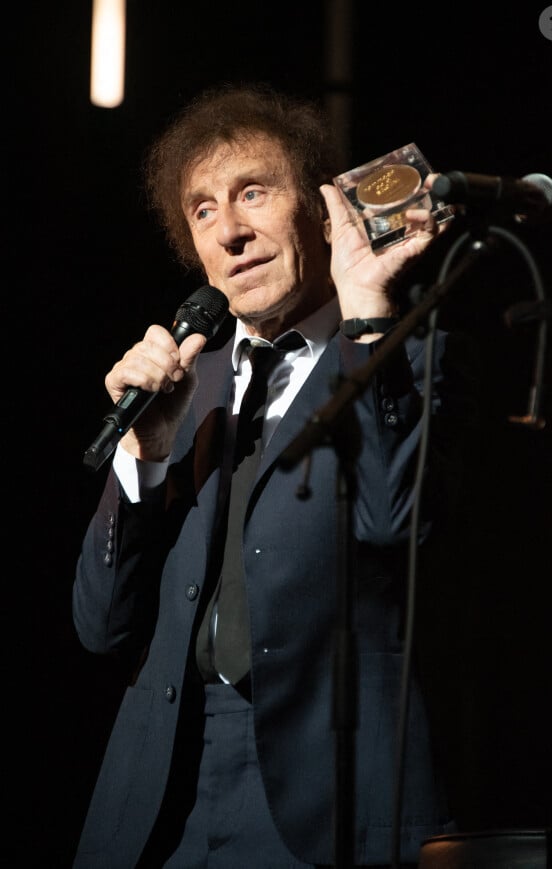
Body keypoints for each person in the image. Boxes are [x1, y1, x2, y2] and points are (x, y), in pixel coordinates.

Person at [72, 82, 477, 868]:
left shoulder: (408, 357)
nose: (230, 231)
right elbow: (102, 626)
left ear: (322, 214)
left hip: (328, 796)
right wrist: (144, 460)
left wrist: (366, 312)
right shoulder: (185, 389)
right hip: (163, 792)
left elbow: (396, 520)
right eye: (203, 210)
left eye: (253, 192)